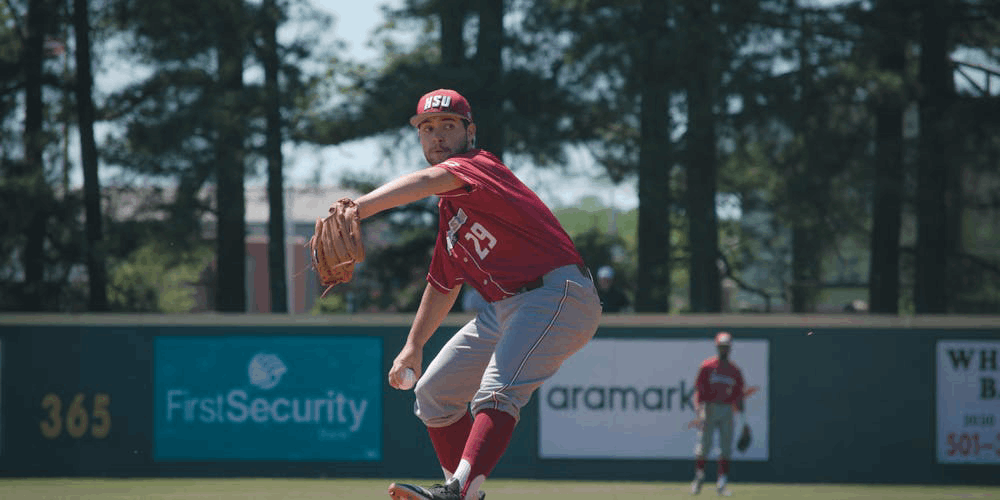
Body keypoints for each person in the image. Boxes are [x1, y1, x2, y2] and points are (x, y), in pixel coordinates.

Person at [340, 89, 602, 500]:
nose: (437, 136)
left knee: (497, 391)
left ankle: (457, 492)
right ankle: (464, 493)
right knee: (434, 394)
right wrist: (413, 346)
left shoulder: (480, 166)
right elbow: (443, 283)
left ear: (470, 132)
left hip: (556, 293)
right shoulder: (451, 215)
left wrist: (360, 208)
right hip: (504, 308)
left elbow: (428, 181)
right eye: (427, 128)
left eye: (448, 125)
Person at [691, 331, 746, 497]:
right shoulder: (707, 366)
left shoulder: (734, 370)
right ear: (717, 347)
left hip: (726, 409)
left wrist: (743, 421)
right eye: (721, 346)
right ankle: (699, 478)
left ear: (730, 348)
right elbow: (699, 391)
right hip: (709, 408)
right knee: (704, 446)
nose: (724, 350)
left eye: (726, 347)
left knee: (725, 448)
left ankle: (722, 483)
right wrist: (699, 410)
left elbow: (739, 395)